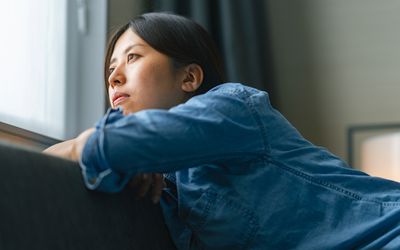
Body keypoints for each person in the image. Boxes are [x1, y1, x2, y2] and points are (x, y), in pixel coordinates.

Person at [45, 12, 400, 249]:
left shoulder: (235, 107)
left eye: (132, 57)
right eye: (110, 68)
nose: (114, 77)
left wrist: (86, 144)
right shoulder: (165, 184)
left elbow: (98, 149)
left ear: (189, 77)